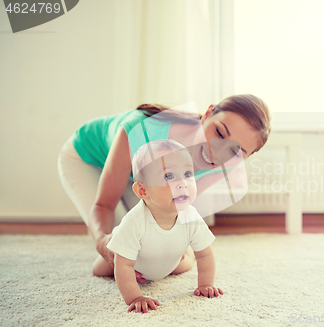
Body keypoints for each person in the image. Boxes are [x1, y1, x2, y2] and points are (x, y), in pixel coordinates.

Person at [57, 94, 271, 283]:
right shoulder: (140, 130)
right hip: (87, 159)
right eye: (220, 133)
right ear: (207, 113)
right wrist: (102, 241)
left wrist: (180, 254)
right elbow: (104, 204)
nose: (218, 152)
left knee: (159, 249)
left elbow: (177, 213)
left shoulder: (223, 164)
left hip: (140, 179)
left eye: (236, 151)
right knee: (121, 243)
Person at [93, 139, 222, 313]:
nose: (183, 182)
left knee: (185, 264)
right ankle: (180, 251)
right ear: (143, 191)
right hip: (133, 260)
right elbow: (124, 266)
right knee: (100, 270)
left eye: (187, 173)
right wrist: (136, 297)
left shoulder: (191, 217)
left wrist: (206, 284)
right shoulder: (134, 222)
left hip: (168, 261)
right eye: (169, 176)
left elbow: (205, 255)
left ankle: (184, 252)